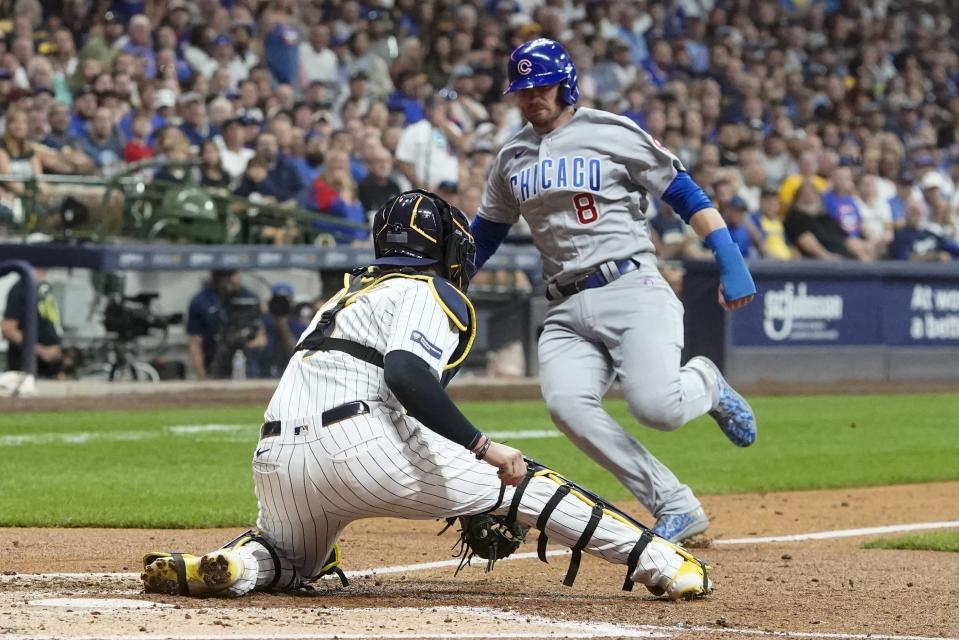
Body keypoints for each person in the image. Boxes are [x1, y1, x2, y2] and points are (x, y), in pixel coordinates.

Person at [140, 190, 713, 601]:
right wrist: (484, 449)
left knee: (290, 562)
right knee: (523, 482)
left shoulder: (344, 297)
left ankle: (233, 565)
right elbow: (407, 375)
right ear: (439, 246)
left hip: (276, 462)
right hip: (361, 448)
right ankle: (665, 564)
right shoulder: (428, 288)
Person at [469, 39, 758, 544]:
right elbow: (486, 232)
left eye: (542, 85)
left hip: (630, 285)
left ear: (566, 84)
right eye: (523, 89)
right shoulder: (511, 156)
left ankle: (706, 383)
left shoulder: (609, 131)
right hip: (563, 304)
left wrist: (727, 254)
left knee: (658, 409)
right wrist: (449, 278)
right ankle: (674, 505)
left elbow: (683, 192)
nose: (533, 96)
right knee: (568, 407)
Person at [186, 269, 266, 380]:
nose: (232, 280)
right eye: (227, 276)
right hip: (215, 365)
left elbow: (262, 339)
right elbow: (194, 342)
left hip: (247, 364)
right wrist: (202, 377)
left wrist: (241, 342)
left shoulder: (249, 297)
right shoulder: (201, 301)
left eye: (234, 274)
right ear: (217, 278)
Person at [2, 267, 63, 378]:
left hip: (49, 369)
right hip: (26, 371)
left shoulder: (44, 288)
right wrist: (41, 351)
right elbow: (8, 329)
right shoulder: (21, 288)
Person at [249, 282, 307, 379]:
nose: (281, 305)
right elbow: (253, 351)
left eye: (285, 302)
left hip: (289, 377)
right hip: (262, 376)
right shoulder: (263, 323)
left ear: (291, 303)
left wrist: (283, 327)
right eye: (277, 301)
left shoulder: (299, 326)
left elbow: (298, 356)